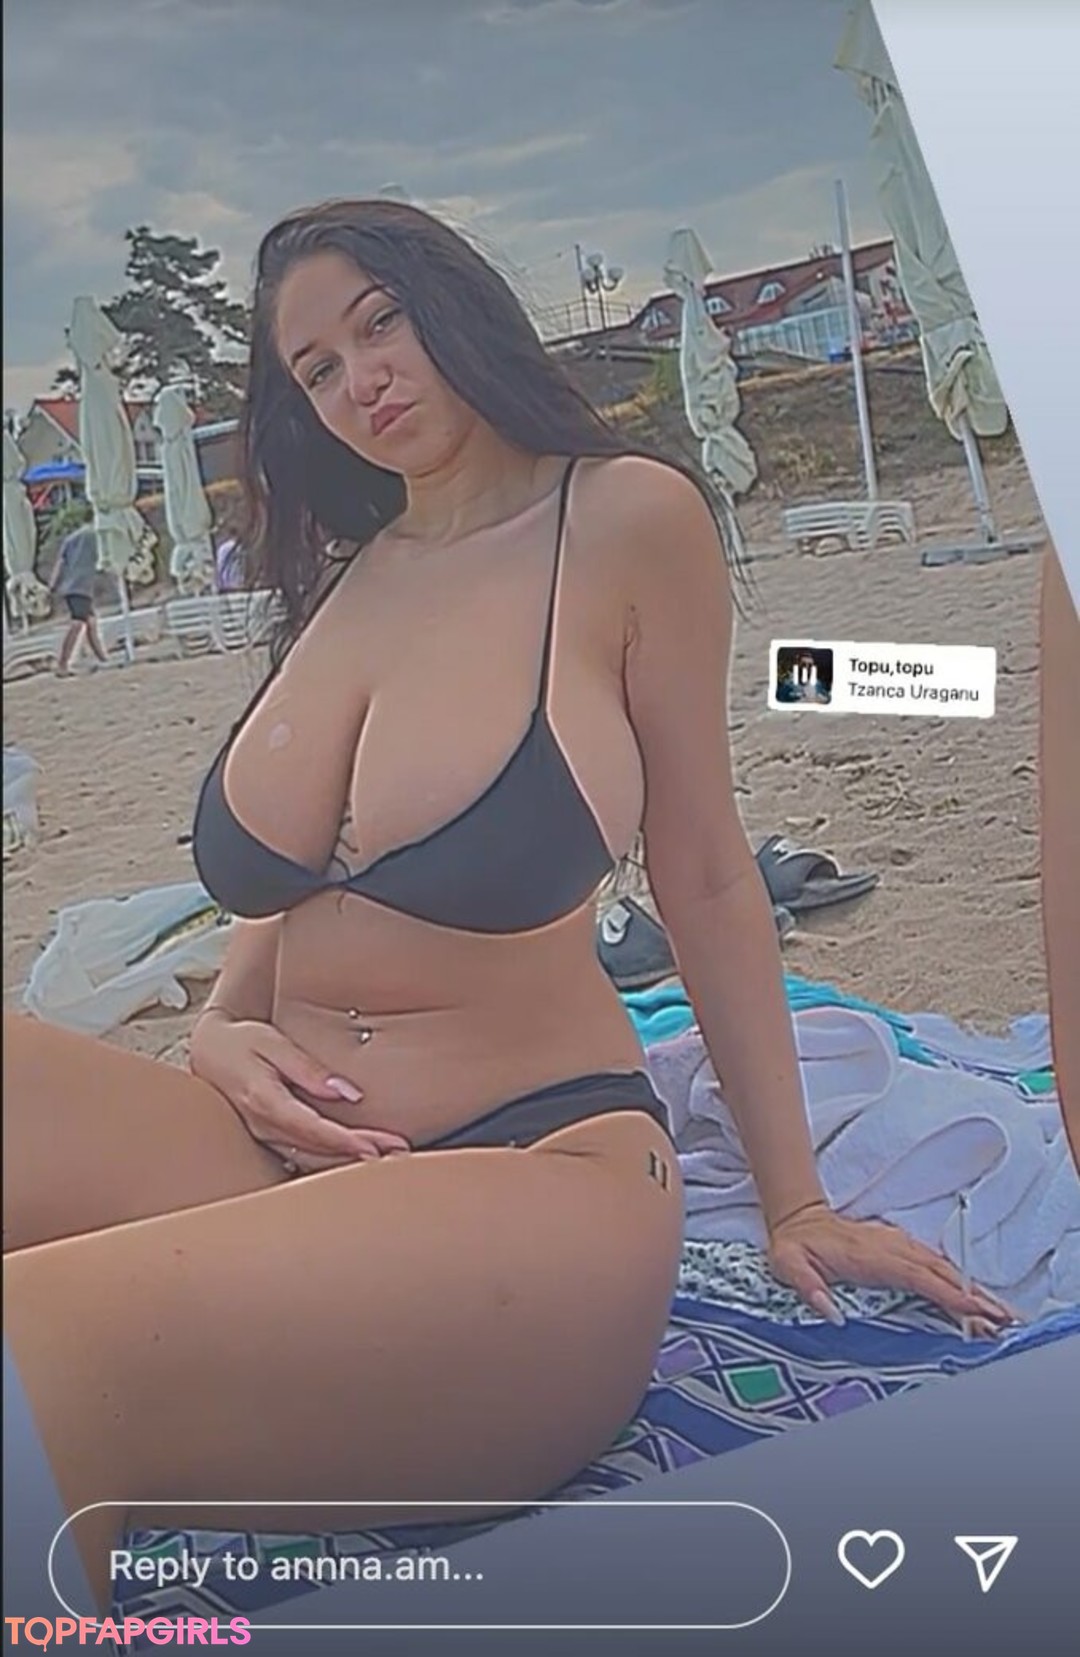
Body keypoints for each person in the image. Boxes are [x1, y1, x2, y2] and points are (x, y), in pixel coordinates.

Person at [2, 199, 1012, 1605]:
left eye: (380, 323)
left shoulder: (622, 518)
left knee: (41, 1346)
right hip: (282, 1150)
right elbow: (299, 884)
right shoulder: (350, 576)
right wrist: (224, 1026)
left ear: (453, 303)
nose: (361, 379)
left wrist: (796, 1200)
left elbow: (706, 872)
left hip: (535, 1173)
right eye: (315, 368)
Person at [48, 515, 110, 674]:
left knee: (91, 622)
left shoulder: (70, 539)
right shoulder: (97, 536)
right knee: (77, 623)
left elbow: (60, 562)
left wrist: (52, 585)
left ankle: (103, 659)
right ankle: (62, 664)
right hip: (82, 585)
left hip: (70, 585)